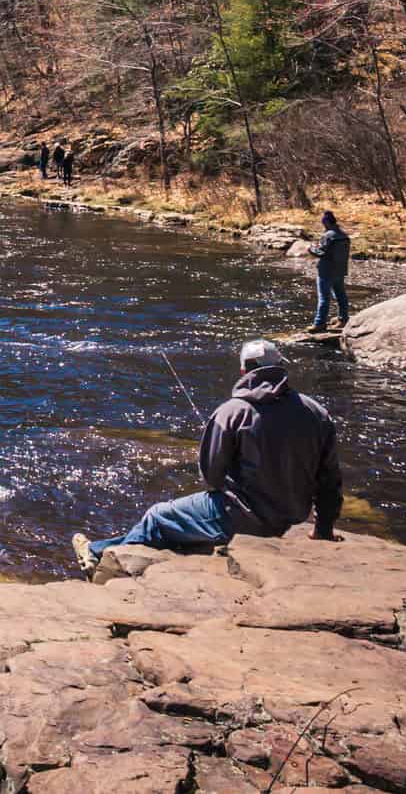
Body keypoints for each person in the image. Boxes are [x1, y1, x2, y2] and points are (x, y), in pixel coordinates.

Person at [73, 340, 341, 571]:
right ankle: (99, 549)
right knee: (171, 523)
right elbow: (330, 480)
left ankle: (105, 563)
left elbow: (211, 476)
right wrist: (324, 530)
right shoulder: (316, 411)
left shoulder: (233, 411)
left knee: (157, 516)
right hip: (292, 517)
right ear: (281, 367)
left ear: (243, 370)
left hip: (246, 519)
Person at [307, 210, 351, 333]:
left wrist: (310, 249)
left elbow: (320, 252)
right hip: (340, 271)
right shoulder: (344, 235)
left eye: (324, 223)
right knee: (341, 296)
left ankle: (319, 323)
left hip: (326, 271)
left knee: (324, 298)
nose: (323, 226)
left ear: (326, 222)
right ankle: (343, 319)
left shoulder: (328, 236)